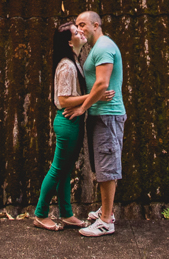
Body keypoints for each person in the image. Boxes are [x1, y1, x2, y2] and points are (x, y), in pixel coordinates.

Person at [33, 21, 114, 232]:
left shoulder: (74, 61)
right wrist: (95, 96)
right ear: (70, 42)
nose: (80, 32)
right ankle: (40, 214)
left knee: (66, 170)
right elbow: (64, 99)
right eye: (76, 32)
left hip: (73, 121)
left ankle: (66, 213)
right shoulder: (67, 66)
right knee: (57, 170)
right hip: (68, 120)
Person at [64, 11, 125, 237]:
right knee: (103, 165)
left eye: (83, 25)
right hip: (101, 113)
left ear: (96, 24)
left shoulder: (103, 47)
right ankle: (105, 211)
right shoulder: (94, 49)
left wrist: (83, 107)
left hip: (108, 115)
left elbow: (101, 84)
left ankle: (107, 220)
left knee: (107, 168)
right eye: (77, 25)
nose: (80, 29)